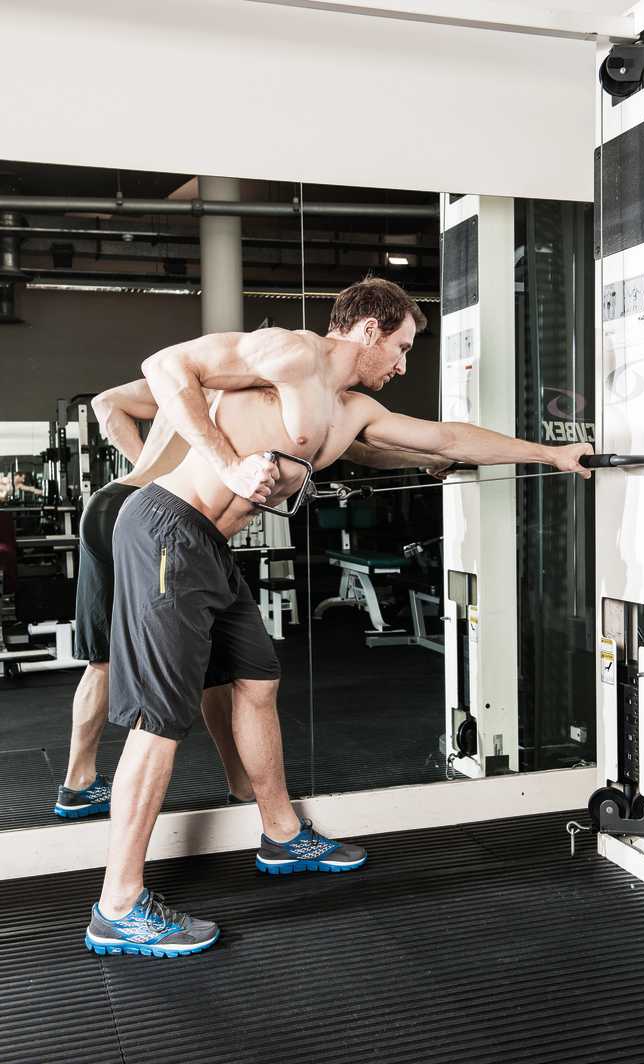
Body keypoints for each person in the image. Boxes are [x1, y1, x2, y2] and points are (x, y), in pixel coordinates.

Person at [85, 277, 592, 958]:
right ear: (368, 329)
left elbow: (445, 437)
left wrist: (551, 454)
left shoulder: (349, 411)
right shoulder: (291, 353)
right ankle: (117, 905)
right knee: (160, 720)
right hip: (166, 529)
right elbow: (164, 367)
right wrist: (229, 466)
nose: (403, 365)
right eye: (403, 348)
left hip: (206, 546)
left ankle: (282, 834)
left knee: (257, 680)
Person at [57, 384, 450, 818]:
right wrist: (158, 481)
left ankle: (79, 781)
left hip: (112, 503)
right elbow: (361, 450)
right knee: (206, 672)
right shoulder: (231, 390)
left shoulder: (201, 390)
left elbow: (105, 404)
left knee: (106, 660)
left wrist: (149, 472)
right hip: (156, 514)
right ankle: (236, 787)